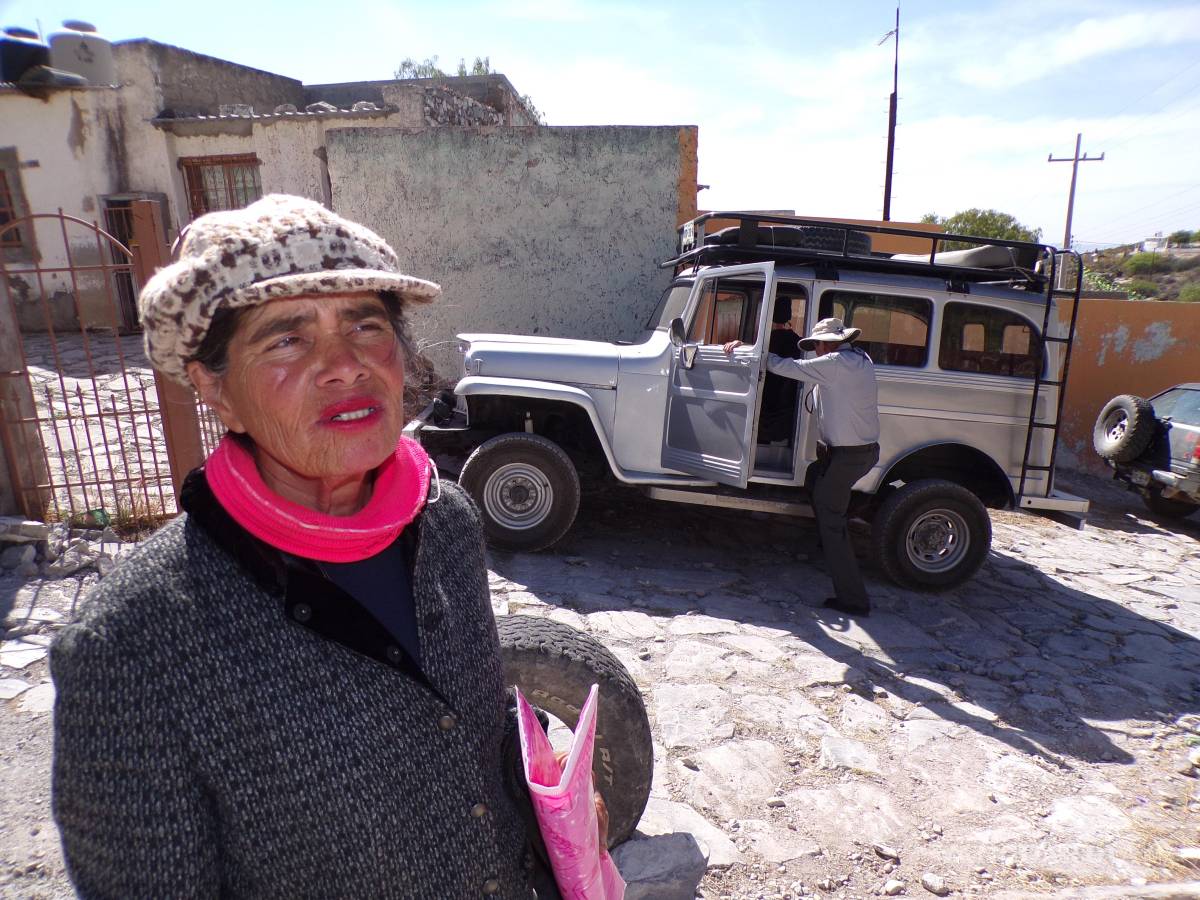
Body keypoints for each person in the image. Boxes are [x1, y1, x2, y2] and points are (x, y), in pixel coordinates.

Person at [49, 194, 601, 898]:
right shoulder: (129, 646)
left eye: (365, 325)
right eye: (286, 337)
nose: (345, 365)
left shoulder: (448, 524)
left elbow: (463, 735)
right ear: (213, 387)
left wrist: (542, 800)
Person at [725, 316, 880, 616]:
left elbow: (787, 368)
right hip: (854, 453)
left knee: (831, 516)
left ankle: (853, 599)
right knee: (814, 478)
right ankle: (829, 538)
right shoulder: (860, 358)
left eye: (816, 346)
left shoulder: (835, 363)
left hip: (849, 455)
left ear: (827, 344)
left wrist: (750, 349)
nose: (816, 351)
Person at [758, 296, 803, 444]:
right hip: (788, 409)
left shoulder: (764, 341)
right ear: (789, 316)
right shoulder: (799, 342)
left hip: (764, 403)